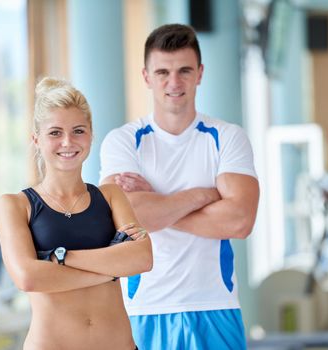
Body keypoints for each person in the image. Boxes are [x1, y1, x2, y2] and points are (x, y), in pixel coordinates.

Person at [100, 24, 260, 349]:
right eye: (162, 72)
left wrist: (155, 206)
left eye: (184, 70)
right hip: (144, 309)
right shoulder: (123, 142)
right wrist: (203, 196)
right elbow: (122, 220)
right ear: (146, 76)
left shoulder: (227, 137)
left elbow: (240, 221)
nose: (174, 83)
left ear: (200, 73)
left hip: (215, 306)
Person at [0, 77, 152, 350]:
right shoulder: (15, 205)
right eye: (55, 132)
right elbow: (29, 277)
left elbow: (141, 257)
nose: (67, 142)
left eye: (78, 131)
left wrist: (60, 258)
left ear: (91, 134)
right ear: (36, 139)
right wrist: (109, 271)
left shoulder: (111, 195)